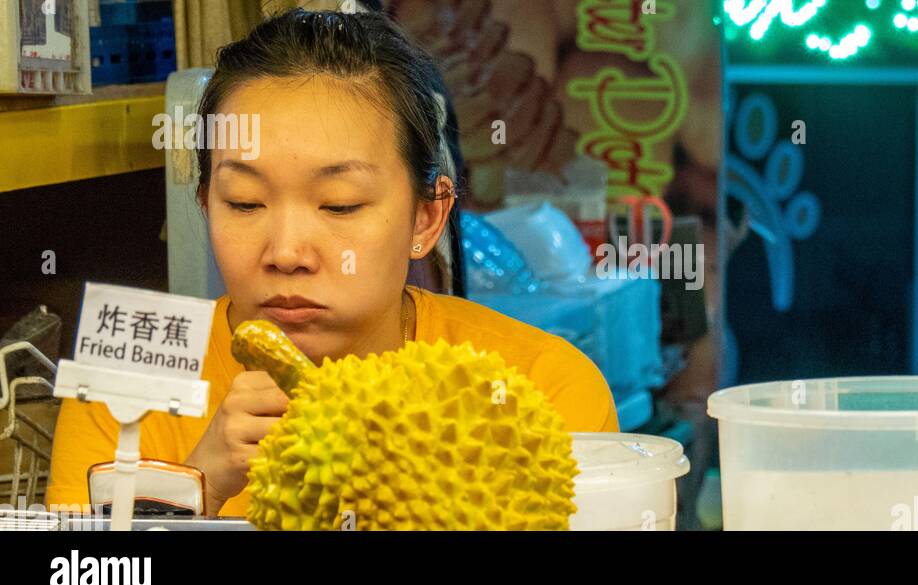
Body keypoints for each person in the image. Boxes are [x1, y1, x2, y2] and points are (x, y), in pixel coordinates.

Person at [47, 9, 618, 518]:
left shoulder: (538, 393)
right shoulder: (127, 392)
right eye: (244, 203)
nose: (287, 253)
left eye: (340, 205)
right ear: (205, 205)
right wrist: (194, 489)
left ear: (426, 218)